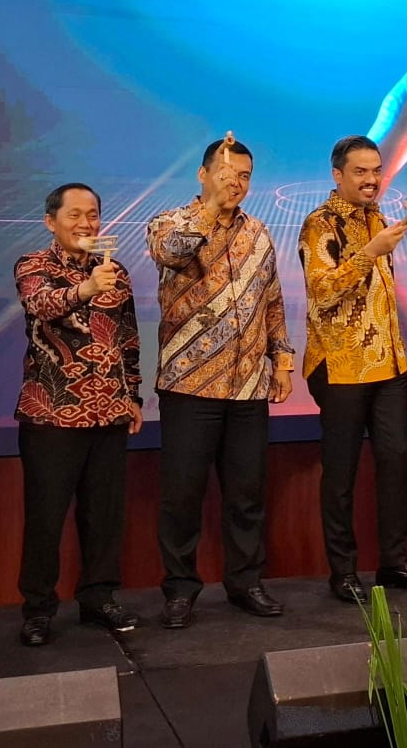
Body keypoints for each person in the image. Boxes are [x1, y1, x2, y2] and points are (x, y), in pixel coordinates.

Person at [147, 137, 295, 629]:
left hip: (248, 385)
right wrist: (211, 209)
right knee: (182, 495)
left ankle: (245, 583)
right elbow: (171, 254)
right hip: (189, 385)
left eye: (245, 176)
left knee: (247, 493)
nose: (238, 183)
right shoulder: (169, 223)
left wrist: (282, 360)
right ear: (203, 174)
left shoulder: (259, 232)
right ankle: (179, 589)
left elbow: (272, 299)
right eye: (229, 173)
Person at [298, 135, 407, 603]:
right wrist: (369, 252)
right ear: (337, 175)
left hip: (388, 365)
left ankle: (394, 563)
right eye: (360, 171)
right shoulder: (319, 224)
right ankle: (342, 572)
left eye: (376, 170)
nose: (371, 179)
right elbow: (322, 291)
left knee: (395, 463)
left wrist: (401, 224)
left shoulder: (376, 217)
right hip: (340, 367)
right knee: (340, 472)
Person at [13, 183, 143, 647]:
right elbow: (40, 305)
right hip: (52, 415)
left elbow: (127, 338)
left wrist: (133, 394)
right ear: (51, 221)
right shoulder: (33, 266)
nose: (86, 223)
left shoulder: (116, 271)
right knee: (45, 518)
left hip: (109, 412)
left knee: (103, 517)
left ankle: (98, 598)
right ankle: (38, 609)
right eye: (75, 215)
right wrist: (87, 287)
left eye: (93, 214)